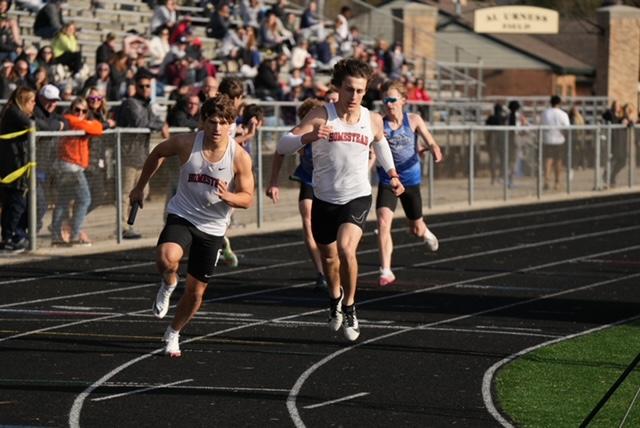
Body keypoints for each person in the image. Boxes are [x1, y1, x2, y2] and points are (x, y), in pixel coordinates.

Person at [277, 58, 404, 341]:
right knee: (329, 256)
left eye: (360, 91)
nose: (354, 96)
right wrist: (309, 136)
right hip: (324, 198)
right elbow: (283, 145)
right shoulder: (321, 115)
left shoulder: (372, 119)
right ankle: (335, 298)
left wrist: (392, 174)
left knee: (347, 249)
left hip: (357, 196)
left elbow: (380, 142)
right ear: (338, 88)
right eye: (349, 89)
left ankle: (350, 306)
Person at [130, 94, 254, 357]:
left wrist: (230, 197)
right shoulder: (187, 143)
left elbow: (247, 197)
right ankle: (168, 282)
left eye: (223, 122)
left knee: (196, 293)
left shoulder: (239, 156)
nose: (217, 128)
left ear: (231, 124)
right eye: (212, 122)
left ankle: (173, 333)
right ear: (203, 122)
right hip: (183, 214)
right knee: (166, 258)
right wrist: (140, 187)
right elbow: (158, 152)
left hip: (213, 227)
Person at [374, 80, 442, 287]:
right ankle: (386, 270)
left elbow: (429, 139)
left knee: (416, 229)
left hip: (411, 180)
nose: (389, 104)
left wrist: (434, 149)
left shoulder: (413, 120)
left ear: (403, 100)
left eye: (392, 99)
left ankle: (425, 231)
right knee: (383, 222)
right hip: (389, 180)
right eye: (385, 100)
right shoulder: (380, 124)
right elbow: (372, 148)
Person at [267, 98, 328, 289]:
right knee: (308, 222)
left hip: (329, 183)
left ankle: (333, 265)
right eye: (305, 119)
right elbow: (280, 151)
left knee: (330, 229)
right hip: (308, 180)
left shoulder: (329, 130)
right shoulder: (300, 132)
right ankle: (321, 272)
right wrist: (274, 182)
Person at [116, 70, 169, 239]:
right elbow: (141, 122)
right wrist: (161, 125)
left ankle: (129, 224)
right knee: (125, 194)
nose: (145, 89)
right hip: (127, 156)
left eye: (148, 86)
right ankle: (122, 228)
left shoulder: (147, 104)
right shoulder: (130, 103)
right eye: (142, 86)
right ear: (135, 87)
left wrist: (161, 123)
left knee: (142, 192)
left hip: (142, 156)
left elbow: (154, 119)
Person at [50, 97, 104, 246]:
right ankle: (74, 234)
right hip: (70, 167)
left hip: (72, 166)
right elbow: (97, 128)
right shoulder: (70, 119)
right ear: (71, 109)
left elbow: (97, 127)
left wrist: (90, 124)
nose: (80, 113)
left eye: (84, 111)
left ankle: (56, 236)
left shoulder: (82, 122)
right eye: (77, 110)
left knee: (63, 201)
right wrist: (90, 124)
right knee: (85, 199)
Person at [0, 87, 36, 254]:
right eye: (31, 101)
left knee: (22, 204)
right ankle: (8, 239)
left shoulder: (17, 113)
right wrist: (57, 125)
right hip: (13, 166)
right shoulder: (13, 112)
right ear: (23, 101)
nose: (34, 104)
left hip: (19, 165)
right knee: (16, 204)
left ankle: (15, 236)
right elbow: (34, 125)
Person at [540, 95, 570, 191]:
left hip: (547, 139)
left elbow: (541, 124)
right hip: (559, 139)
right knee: (558, 161)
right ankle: (557, 182)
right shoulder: (562, 114)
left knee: (548, 160)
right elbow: (567, 127)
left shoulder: (545, 113)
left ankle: (546, 180)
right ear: (559, 103)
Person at [485, 102, 507, 185]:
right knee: (503, 159)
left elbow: (486, 128)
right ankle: (500, 177)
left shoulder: (490, 118)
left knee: (493, 160)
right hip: (500, 140)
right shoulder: (502, 118)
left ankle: (493, 178)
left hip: (492, 140)